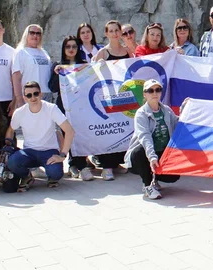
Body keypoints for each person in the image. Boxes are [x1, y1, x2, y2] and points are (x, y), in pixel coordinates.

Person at [3, 81, 75, 192]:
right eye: (29, 95)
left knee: (56, 173)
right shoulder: (19, 112)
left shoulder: (51, 108)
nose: (33, 98)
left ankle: (51, 177)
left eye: (35, 94)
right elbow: (11, 130)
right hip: (29, 151)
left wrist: (63, 154)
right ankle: (27, 176)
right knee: (12, 162)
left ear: (41, 94)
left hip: (49, 151)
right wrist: (8, 146)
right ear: (25, 98)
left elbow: (69, 131)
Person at [124, 78, 180, 200]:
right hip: (145, 154)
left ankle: (155, 178)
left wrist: (187, 109)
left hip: (163, 151)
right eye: (150, 90)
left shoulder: (167, 110)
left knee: (174, 176)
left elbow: (179, 124)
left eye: (158, 90)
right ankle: (147, 185)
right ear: (145, 94)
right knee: (140, 151)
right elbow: (144, 136)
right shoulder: (141, 113)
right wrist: (152, 157)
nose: (155, 93)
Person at [90, 21, 133, 179]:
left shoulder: (127, 51)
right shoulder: (103, 52)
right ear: (106, 33)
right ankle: (106, 166)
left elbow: (134, 69)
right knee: (110, 129)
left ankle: (117, 163)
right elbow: (91, 73)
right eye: (111, 31)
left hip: (123, 95)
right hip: (107, 96)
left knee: (123, 129)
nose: (115, 33)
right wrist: (97, 64)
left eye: (117, 30)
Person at [48, 36, 93, 181]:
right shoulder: (58, 65)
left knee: (81, 134)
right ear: (64, 49)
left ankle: (77, 163)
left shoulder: (84, 64)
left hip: (81, 106)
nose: (71, 49)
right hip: (65, 106)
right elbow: (53, 88)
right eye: (68, 46)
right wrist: (57, 74)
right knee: (69, 134)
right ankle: (80, 166)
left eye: (74, 46)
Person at [12, 24, 53, 104]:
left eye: (38, 33)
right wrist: (19, 98)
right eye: (32, 33)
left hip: (46, 93)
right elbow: (16, 76)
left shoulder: (44, 52)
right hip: (30, 95)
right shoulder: (20, 52)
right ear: (26, 34)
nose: (35, 35)